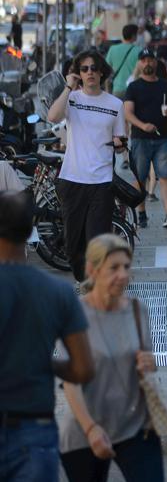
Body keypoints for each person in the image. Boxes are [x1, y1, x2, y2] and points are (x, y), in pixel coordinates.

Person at [0, 191, 94, 482]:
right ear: (29, 231)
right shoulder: (58, 292)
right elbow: (83, 368)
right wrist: (44, 363)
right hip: (34, 429)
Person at [59, 234, 163, 482]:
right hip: (85, 430)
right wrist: (91, 429)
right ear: (92, 270)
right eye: (114, 268)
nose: (123, 275)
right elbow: (71, 383)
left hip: (135, 426)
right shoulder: (74, 315)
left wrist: (149, 364)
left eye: (126, 267)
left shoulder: (138, 310)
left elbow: (145, 366)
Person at [47, 50, 127, 282]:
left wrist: (119, 144)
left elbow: (120, 142)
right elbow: (53, 117)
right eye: (84, 69)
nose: (89, 72)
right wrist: (68, 87)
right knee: (73, 246)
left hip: (101, 182)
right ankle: (84, 282)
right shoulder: (72, 99)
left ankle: (93, 288)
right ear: (78, 73)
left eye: (94, 68)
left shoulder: (115, 104)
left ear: (102, 71)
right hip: (73, 180)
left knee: (97, 242)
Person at [124, 49, 167, 230]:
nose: (147, 63)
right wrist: (142, 125)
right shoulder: (133, 87)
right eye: (144, 60)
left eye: (150, 60)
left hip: (163, 137)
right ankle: (141, 213)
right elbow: (128, 113)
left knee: (165, 176)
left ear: (155, 63)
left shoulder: (165, 85)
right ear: (139, 64)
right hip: (141, 138)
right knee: (141, 178)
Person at [105, 24, 141, 99]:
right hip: (134, 89)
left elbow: (106, 70)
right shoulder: (139, 50)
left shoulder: (113, 49)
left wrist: (107, 90)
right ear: (133, 35)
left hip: (117, 90)